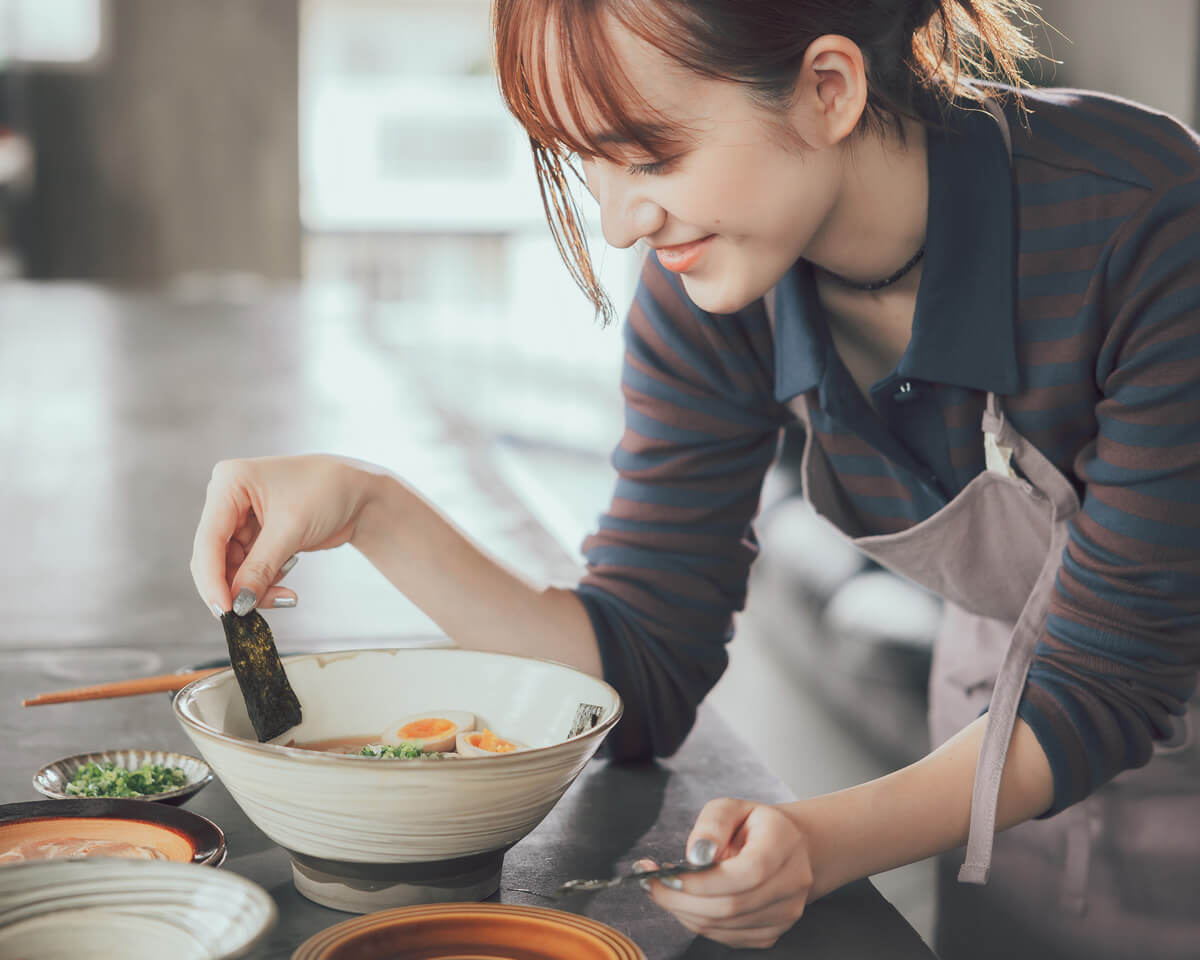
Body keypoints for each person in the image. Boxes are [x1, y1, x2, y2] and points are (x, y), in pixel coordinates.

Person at [190, 1, 1200, 956]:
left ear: (828, 90)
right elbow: (638, 669)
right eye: (588, 164)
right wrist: (371, 508)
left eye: (648, 155)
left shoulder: (1148, 219)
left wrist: (822, 841)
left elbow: (1108, 678)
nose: (622, 222)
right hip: (1000, 773)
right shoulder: (713, 290)